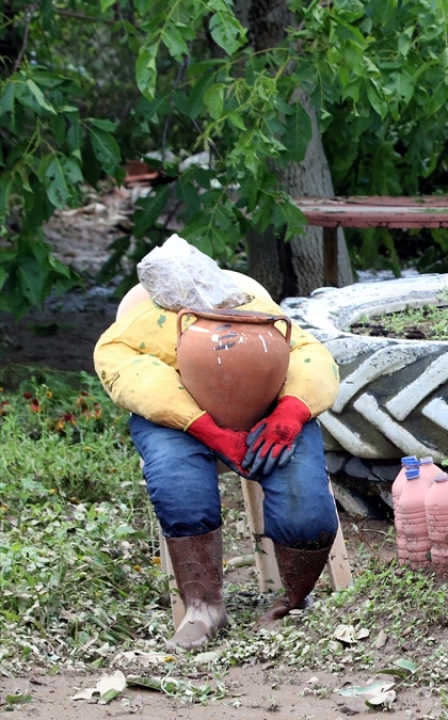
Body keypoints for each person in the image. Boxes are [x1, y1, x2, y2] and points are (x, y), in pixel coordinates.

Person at [94, 235, 341, 650]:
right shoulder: (140, 326)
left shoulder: (260, 312)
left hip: (269, 416)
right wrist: (205, 428)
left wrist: (291, 412)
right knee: (180, 487)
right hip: (177, 422)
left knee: (306, 506)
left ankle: (295, 599)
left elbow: (310, 356)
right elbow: (131, 374)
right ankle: (203, 608)